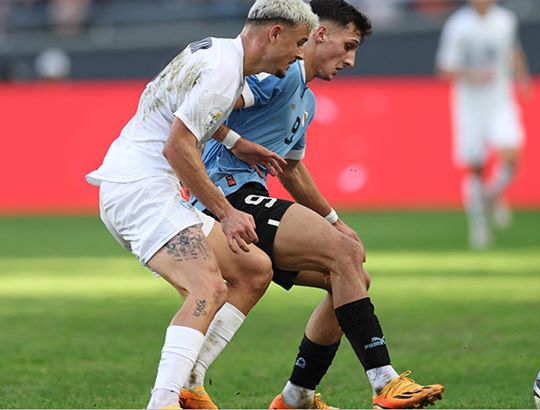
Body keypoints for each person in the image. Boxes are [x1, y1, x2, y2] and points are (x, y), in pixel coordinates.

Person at [183, 1, 444, 409]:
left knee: (350, 276)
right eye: (348, 46)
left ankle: (295, 397)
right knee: (344, 256)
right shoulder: (277, 74)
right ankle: (385, 381)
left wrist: (334, 221)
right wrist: (236, 142)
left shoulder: (306, 100)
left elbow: (291, 171)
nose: (351, 61)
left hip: (247, 198)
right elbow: (200, 106)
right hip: (226, 197)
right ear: (320, 34)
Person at [84, 1, 318, 408]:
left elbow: (187, 109)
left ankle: (189, 383)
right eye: (299, 43)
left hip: (138, 186)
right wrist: (227, 213)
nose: (301, 55)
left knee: (253, 269)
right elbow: (177, 148)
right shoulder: (224, 73)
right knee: (206, 286)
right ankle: (163, 401)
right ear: (275, 34)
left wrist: (236, 142)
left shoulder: (218, 55)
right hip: (140, 189)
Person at [435, 0, 531, 250]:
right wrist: (471, 75)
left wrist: (522, 78)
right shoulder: (458, 26)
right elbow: (444, 69)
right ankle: (479, 227)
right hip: (470, 106)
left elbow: (513, 50)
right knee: (476, 166)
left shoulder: (505, 20)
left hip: (500, 101)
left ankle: (492, 194)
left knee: (511, 155)